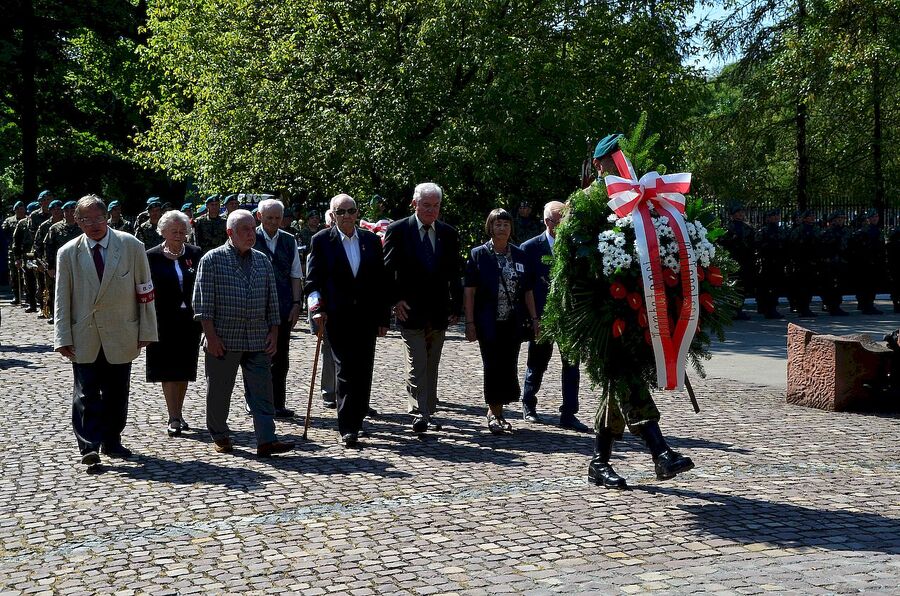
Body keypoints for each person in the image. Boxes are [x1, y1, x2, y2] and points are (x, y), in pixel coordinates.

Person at [582, 133, 695, 489]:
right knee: (626, 379)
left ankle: (599, 463)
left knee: (616, 385)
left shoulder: (642, 197)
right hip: (604, 310)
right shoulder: (590, 201)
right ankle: (660, 452)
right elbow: (577, 259)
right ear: (601, 165)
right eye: (614, 160)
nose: (621, 164)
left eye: (622, 158)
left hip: (637, 307)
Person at [54, 194, 158, 469]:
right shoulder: (68, 253)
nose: (94, 224)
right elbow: (61, 298)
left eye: (99, 218)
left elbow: (145, 290)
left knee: (116, 391)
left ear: (107, 217)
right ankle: (89, 446)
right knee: (85, 392)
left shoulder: (131, 245)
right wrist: (62, 336)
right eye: (86, 220)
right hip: (84, 334)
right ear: (77, 222)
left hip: (121, 332)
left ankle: (112, 439)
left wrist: (147, 329)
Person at [192, 209, 295, 457]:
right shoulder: (212, 260)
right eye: (244, 230)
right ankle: (220, 434)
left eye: (252, 229)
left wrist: (274, 332)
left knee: (263, 391)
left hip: (258, 337)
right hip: (224, 338)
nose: (251, 234)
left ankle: (266, 440)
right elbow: (202, 305)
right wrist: (211, 337)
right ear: (230, 233)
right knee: (219, 390)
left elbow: (273, 301)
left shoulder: (262, 260)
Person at [305, 194, 390, 447]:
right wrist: (316, 310)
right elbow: (313, 282)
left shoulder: (371, 241)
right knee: (344, 369)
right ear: (332, 215)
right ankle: (347, 427)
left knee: (363, 369)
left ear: (357, 213)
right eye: (340, 212)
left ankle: (359, 418)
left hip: (365, 316)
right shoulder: (321, 241)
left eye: (351, 210)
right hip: (336, 316)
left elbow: (380, 283)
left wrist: (383, 317)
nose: (347, 216)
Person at [384, 182, 462, 433]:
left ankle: (428, 409)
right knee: (417, 361)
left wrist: (456, 305)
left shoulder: (448, 233)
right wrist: (394, 299)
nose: (431, 210)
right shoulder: (398, 230)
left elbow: (454, 273)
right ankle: (419, 411)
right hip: (410, 310)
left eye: (436, 205)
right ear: (415, 204)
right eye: (426, 205)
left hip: (439, 310)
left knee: (432, 362)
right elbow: (386, 270)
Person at [464, 208, 539, 434]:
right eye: (498, 224)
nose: (502, 228)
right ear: (490, 227)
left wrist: (535, 317)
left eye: (506, 224)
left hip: (512, 322)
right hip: (487, 322)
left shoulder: (519, 255)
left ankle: (498, 411)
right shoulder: (478, 254)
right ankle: (493, 413)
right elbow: (469, 291)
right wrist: (469, 322)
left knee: (508, 367)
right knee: (492, 366)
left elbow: (527, 290)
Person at [520, 201, 588, 431]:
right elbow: (524, 285)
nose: (559, 225)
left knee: (572, 365)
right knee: (537, 362)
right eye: (555, 221)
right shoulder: (530, 248)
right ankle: (528, 403)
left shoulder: (576, 246)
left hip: (569, 316)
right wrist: (531, 317)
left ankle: (569, 413)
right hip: (542, 315)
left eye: (563, 221)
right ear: (546, 221)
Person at [145, 210, 203, 437]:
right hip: (162, 320)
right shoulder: (151, 256)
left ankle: (179, 411)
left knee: (184, 368)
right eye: (174, 231)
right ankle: (173, 416)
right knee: (168, 369)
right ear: (163, 232)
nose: (179, 235)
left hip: (189, 321)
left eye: (182, 231)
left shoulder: (196, 253)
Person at [254, 199, 304, 418]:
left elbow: (295, 275)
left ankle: (278, 402)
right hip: (255, 308)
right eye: (269, 218)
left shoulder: (289, 240)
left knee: (281, 357)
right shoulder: (250, 236)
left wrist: (296, 304)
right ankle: (255, 401)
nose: (274, 222)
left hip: (283, 307)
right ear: (259, 217)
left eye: (277, 218)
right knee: (256, 358)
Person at [44, 201, 81, 324]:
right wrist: (50, 266)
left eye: (72, 211)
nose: (70, 214)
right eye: (67, 211)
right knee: (59, 292)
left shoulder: (82, 226)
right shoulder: (55, 228)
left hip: (80, 264)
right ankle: (57, 316)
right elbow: (48, 247)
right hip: (60, 265)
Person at [721, 204, 755, 320]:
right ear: (732, 214)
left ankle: (739, 309)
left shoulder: (748, 228)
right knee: (732, 285)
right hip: (732, 260)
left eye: (742, 212)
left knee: (742, 285)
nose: (740, 214)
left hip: (745, 261)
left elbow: (753, 244)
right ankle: (732, 309)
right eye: (737, 212)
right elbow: (722, 244)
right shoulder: (727, 228)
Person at [754, 208, 787, 319]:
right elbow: (758, 247)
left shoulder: (781, 230)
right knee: (766, 286)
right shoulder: (763, 231)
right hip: (766, 263)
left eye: (777, 215)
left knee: (776, 286)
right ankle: (766, 308)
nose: (776, 217)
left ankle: (772, 308)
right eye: (773, 215)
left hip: (778, 262)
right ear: (768, 218)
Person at [851, 209, 885, 315]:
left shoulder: (876, 230)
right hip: (866, 262)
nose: (875, 218)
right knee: (867, 285)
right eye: (872, 217)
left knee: (870, 285)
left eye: (876, 216)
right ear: (868, 219)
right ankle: (867, 305)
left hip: (873, 261)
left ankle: (865, 304)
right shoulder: (864, 231)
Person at [820, 211, 850, 316]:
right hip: (831, 264)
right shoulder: (827, 233)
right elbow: (824, 249)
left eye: (842, 218)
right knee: (831, 285)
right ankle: (832, 306)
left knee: (839, 285)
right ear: (833, 220)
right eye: (839, 218)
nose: (841, 220)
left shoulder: (845, 231)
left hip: (841, 263)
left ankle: (835, 305)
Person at [2, 201, 26, 305]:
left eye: (22, 209)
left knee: (27, 273)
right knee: (14, 274)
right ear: (15, 210)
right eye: (18, 209)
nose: (20, 211)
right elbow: (3, 232)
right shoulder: (9, 221)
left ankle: (29, 295)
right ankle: (16, 296)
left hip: (26, 249)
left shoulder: (28, 219)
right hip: (13, 250)